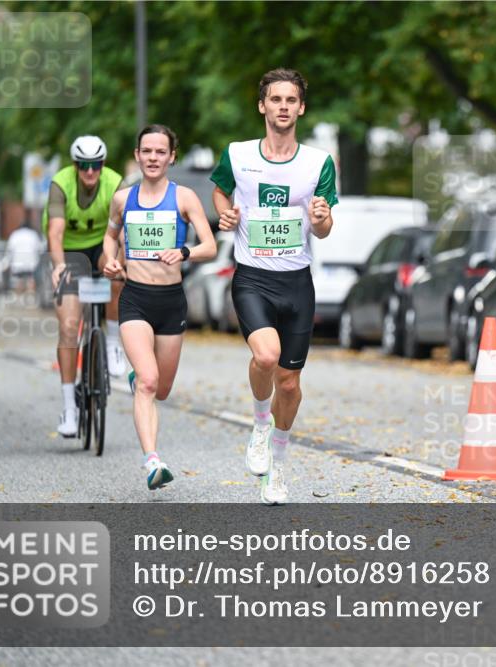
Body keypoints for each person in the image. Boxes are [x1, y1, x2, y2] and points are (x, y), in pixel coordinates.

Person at [210, 68, 337, 505]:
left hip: (296, 281)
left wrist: (320, 219)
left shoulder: (318, 162)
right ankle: (260, 424)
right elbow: (221, 193)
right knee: (265, 355)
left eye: (291, 100)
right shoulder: (237, 153)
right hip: (252, 277)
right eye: (275, 99)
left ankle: (278, 464)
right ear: (262, 105)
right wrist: (227, 216)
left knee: (289, 382)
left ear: (301, 107)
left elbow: (323, 228)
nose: (283, 106)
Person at [102, 124, 216, 490]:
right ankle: (153, 461)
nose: (153, 158)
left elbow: (210, 247)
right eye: (146, 151)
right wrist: (110, 261)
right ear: (137, 155)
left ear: (171, 157)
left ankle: (142, 381)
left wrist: (184, 251)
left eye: (160, 152)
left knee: (161, 389)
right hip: (135, 297)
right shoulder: (123, 198)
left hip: (171, 301)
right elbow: (110, 236)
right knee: (149, 382)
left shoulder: (184, 198)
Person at [43, 136, 125, 437]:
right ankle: (69, 406)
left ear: (103, 165)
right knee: (68, 326)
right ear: (75, 165)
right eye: (83, 165)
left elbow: (123, 228)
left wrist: (124, 261)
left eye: (96, 165)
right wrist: (59, 265)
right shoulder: (60, 184)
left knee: (116, 269)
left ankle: (114, 343)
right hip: (70, 252)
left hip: (102, 246)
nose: (90, 172)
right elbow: (55, 231)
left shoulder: (115, 182)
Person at [4, 222, 43, 294]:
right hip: (31, 262)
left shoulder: (15, 234)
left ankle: (19, 299)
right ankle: (30, 298)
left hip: (17, 262)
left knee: (19, 281)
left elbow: (9, 250)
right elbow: (39, 249)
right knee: (31, 280)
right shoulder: (33, 234)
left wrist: (7, 262)